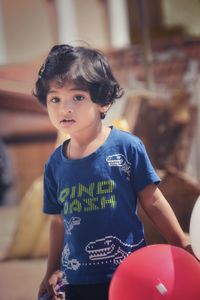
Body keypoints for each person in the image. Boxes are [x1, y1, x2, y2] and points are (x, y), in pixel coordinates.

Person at [34, 44, 192, 300]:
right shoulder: (55, 164)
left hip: (130, 272)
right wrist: (52, 269)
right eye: (55, 99)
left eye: (77, 97)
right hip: (77, 279)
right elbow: (57, 220)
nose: (65, 108)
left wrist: (179, 242)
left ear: (103, 102)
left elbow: (152, 200)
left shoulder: (127, 147)